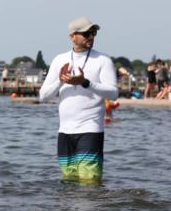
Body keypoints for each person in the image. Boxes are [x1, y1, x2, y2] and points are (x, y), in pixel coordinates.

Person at [38, 16, 119, 183]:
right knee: (69, 182)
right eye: (86, 34)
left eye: (93, 33)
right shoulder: (59, 60)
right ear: (72, 36)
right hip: (65, 132)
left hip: (90, 129)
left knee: (89, 182)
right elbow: (43, 96)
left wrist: (85, 82)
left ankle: (91, 210)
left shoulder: (103, 60)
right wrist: (61, 80)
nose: (91, 37)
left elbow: (113, 94)